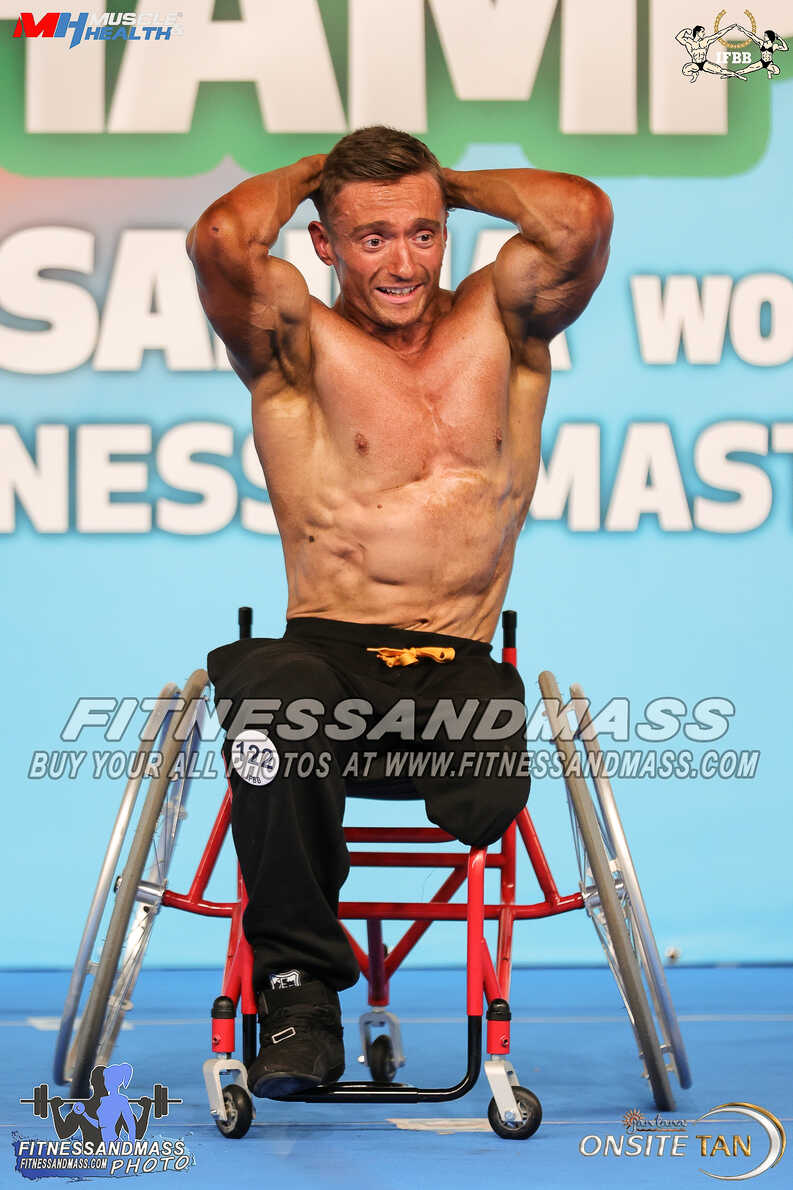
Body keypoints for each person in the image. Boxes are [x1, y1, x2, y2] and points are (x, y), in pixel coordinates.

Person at [186, 126, 612, 1099]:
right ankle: (298, 1001)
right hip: (321, 657)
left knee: (486, 791)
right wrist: (320, 174)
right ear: (324, 243)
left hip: (451, 662)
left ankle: (327, 977)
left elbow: (581, 218)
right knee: (273, 704)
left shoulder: (501, 320)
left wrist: (443, 185)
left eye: (423, 234)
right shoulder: (296, 343)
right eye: (371, 237)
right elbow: (219, 240)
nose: (403, 263)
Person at [675, 23, 747, 81]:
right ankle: (694, 74)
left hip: (704, 63)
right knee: (685, 71)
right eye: (702, 32)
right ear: (697, 32)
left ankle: (737, 75)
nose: (704, 33)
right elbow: (678, 37)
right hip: (695, 64)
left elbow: (718, 34)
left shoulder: (706, 41)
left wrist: (729, 28)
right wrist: (686, 30)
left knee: (720, 71)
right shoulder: (689, 42)